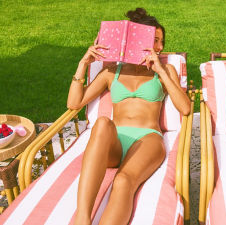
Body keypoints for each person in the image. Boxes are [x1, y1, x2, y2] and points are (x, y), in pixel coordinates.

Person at [67, 8, 190, 225]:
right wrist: (82, 64)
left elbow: (186, 108)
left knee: (123, 181)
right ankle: (83, 219)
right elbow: (74, 103)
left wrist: (160, 71)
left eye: (162, 41)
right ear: (137, 39)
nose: (160, 47)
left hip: (147, 139)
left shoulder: (165, 69)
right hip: (115, 142)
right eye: (155, 40)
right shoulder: (110, 72)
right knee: (103, 122)